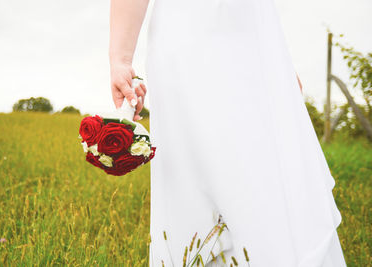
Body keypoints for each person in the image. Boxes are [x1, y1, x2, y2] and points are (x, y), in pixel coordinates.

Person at [109, 0, 347, 266]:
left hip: (254, 39)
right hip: (189, 37)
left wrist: (278, 62)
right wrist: (120, 59)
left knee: (271, 174)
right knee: (203, 179)